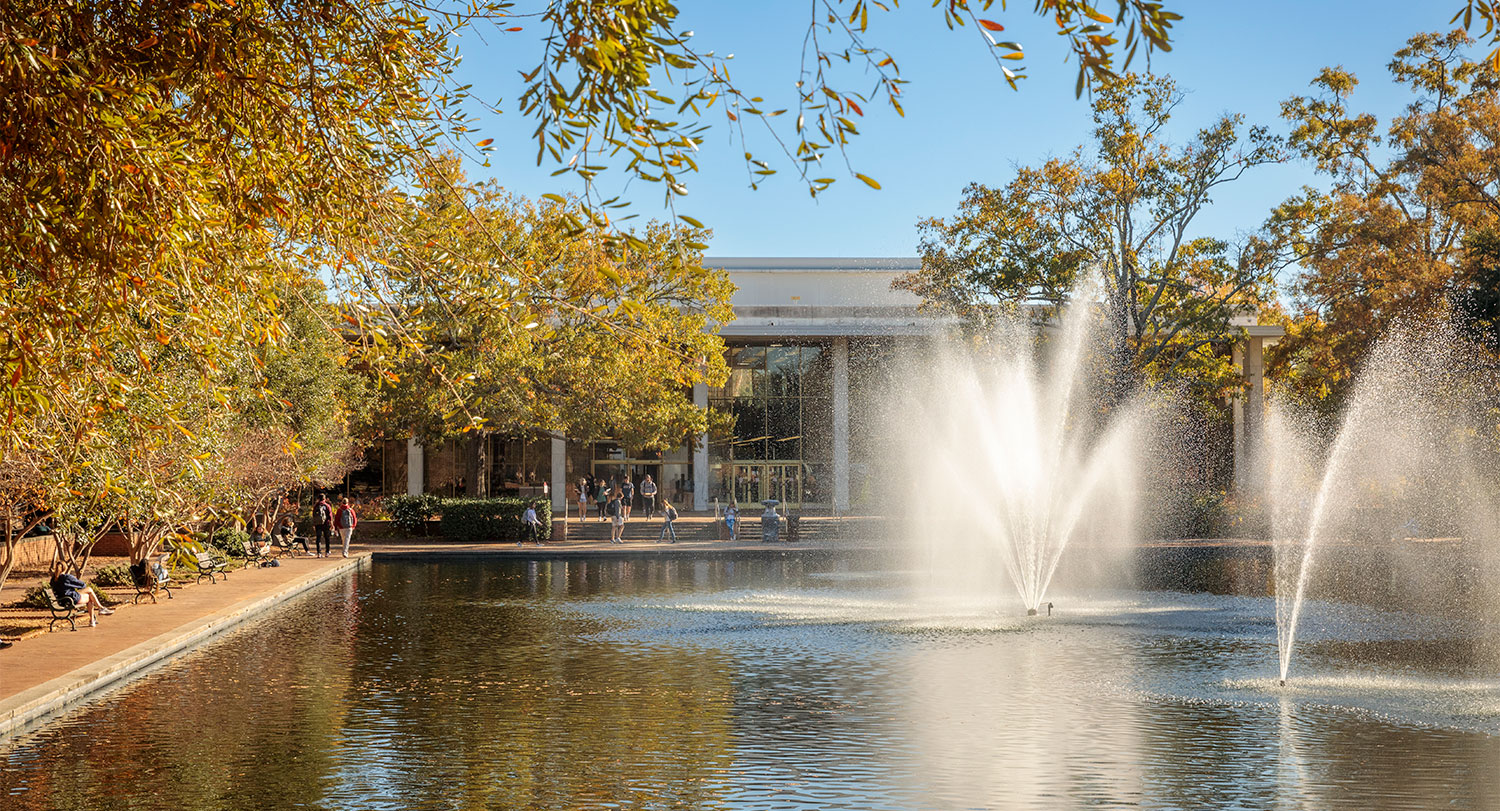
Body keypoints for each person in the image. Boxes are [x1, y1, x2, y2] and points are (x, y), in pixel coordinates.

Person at [50, 562, 111, 627]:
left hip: (62, 601)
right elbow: (82, 585)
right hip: (71, 599)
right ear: (65, 568)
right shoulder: (66, 577)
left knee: (89, 595)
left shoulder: (53, 579)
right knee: (89, 592)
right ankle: (99, 610)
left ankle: (94, 618)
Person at [312, 494, 334, 558]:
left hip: (318, 524)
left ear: (318, 498)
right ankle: (327, 552)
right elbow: (330, 516)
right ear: (325, 499)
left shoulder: (316, 506)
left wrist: (314, 524)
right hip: (326, 523)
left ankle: (319, 553)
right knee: (327, 538)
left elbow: (313, 515)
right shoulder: (327, 506)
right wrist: (332, 524)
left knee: (318, 538)